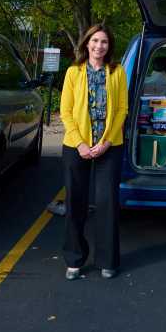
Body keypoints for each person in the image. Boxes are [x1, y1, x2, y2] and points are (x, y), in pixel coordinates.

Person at [59, 24, 128, 280]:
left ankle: (108, 260)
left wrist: (107, 142)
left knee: (106, 203)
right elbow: (65, 112)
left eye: (105, 42)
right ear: (87, 43)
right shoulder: (73, 72)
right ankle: (75, 259)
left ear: (109, 47)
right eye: (95, 41)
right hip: (76, 147)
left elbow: (122, 109)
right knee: (75, 202)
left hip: (109, 147)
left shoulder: (117, 72)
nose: (100, 46)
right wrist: (80, 143)